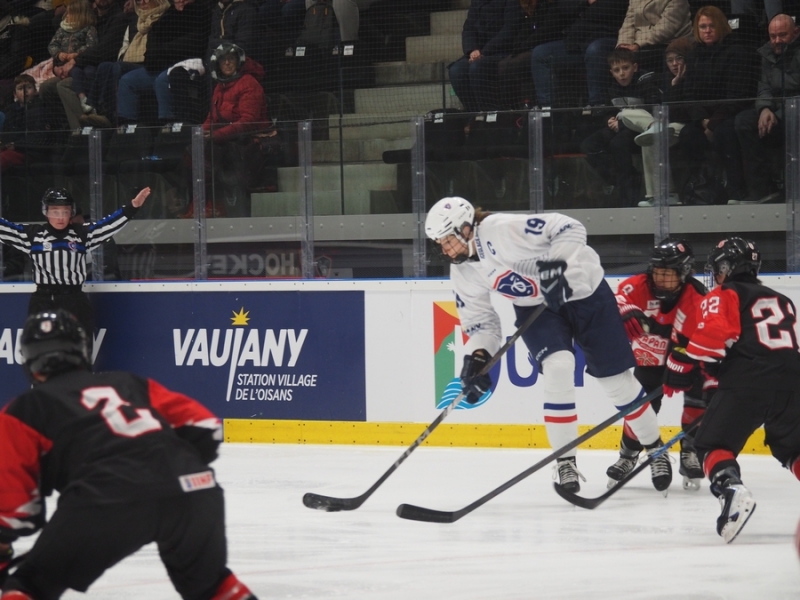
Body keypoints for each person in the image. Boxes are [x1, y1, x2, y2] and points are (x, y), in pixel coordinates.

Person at [0, 309, 258, 598]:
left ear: (30, 363)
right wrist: (168, 470)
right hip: (194, 489)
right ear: (83, 351)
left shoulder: (24, 409)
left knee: (30, 586)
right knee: (212, 586)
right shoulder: (129, 384)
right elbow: (206, 427)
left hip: (105, 498)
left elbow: (15, 510)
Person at [424, 196, 671, 494]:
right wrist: (478, 356)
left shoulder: (500, 229)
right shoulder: (463, 270)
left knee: (615, 381)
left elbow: (570, 227)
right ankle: (564, 461)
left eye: (448, 239)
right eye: (440, 243)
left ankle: (656, 448)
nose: (445, 249)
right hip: (535, 307)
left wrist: (556, 266)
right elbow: (481, 322)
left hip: (585, 292)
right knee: (558, 367)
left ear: (466, 228)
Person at [663, 237, 800, 543]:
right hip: (794, 380)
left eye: (717, 268)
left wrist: (680, 361)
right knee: (793, 448)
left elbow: (710, 342)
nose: (715, 275)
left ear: (726, 267)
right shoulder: (781, 299)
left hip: (749, 380)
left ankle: (731, 488)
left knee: (710, 445)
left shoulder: (725, 293)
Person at [0, 186, 149, 360]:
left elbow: (107, 225)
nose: (61, 217)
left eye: (65, 212)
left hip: (75, 300)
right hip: (43, 301)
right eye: (55, 212)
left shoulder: (82, 234)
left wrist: (132, 207)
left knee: (81, 353)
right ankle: (42, 387)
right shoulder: (33, 236)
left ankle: (80, 385)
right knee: (40, 353)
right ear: (45, 212)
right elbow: (5, 228)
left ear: (71, 212)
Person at [609, 238, 708, 491]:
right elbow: (613, 302)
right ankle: (627, 455)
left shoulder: (696, 296)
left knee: (699, 397)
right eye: (658, 272)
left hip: (684, 355)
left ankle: (690, 451)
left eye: (668, 274)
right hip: (650, 357)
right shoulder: (635, 287)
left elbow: (695, 339)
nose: (661, 279)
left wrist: (680, 363)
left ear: (684, 273)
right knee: (641, 407)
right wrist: (622, 309)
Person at [677, 5, 758, 203]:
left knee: (726, 133)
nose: (707, 30)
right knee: (687, 135)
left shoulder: (736, 51)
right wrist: (703, 122)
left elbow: (737, 96)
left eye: (711, 25)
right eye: (703, 26)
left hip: (729, 115)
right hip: (703, 118)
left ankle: (736, 191)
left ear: (721, 26)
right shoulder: (693, 55)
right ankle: (695, 192)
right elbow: (688, 95)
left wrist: (712, 124)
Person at [579, 48, 660, 207]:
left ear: (634, 67)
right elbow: (608, 111)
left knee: (618, 144)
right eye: (617, 70)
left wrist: (622, 123)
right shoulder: (612, 89)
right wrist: (608, 119)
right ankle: (621, 177)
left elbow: (654, 111)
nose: (621, 73)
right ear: (611, 72)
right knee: (589, 145)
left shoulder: (645, 83)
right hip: (619, 127)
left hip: (640, 129)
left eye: (625, 68)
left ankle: (627, 188)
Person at [733, 13, 800, 205]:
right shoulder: (765, 54)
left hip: (795, 111)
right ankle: (762, 190)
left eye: (782, 35)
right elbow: (763, 87)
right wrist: (764, 109)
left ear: (796, 32)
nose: (777, 41)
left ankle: (793, 191)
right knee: (743, 121)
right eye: (773, 36)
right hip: (776, 110)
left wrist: (777, 113)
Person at [202, 42, 268, 217]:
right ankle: (202, 204)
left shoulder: (249, 83)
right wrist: (200, 134)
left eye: (231, 59)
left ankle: (232, 206)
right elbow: (211, 117)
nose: (227, 64)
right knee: (191, 152)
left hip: (247, 141)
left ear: (238, 62)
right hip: (226, 139)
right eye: (223, 61)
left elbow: (248, 122)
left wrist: (215, 136)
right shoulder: (219, 87)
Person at [625, 36, 692, 207]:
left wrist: (677, 84)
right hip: (664, 123)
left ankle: (669, 194)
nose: (674, 64)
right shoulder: (664, 79)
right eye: (670, 60)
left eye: (679, 58)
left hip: (685, 124)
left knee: (651, 137)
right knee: (627, 115)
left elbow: (680, 112)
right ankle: (654, 196)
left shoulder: (694, 77)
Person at [530, 0, 628, 107]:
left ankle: (597, 105)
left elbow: (606, 10)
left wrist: (588, 8)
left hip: (607, 39)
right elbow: (564, 8)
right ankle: (546, 109)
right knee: (540, 54)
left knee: (594, 50)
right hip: (577, 42)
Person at [448, 0, 519, 114]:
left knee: (476, 68)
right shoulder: (477, 2)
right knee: (456, 71)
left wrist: (484, 52)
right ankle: (474, 114)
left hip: (503, 51)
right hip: (477, 53)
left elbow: (509, 30)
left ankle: (490, 113)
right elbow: (469, 28)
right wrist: (472, 50)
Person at [615, 0, 691, 73]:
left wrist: (638, 44)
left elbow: (667, 27)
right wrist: (624, 44)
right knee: (618, 57)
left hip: (670, 41)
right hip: (641, 42)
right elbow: (629, 22)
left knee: (636, 59)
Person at [46, 0, 98, 80]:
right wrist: (59, 54)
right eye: (67, 13)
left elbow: (91, 46)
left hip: (79, 64)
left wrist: (76, 54)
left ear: (80, 15)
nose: (66, 16)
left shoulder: (89, 29)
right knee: (46, 86)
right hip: (62, 63)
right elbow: (52, 45)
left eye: (70, 13)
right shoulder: (62, 29)